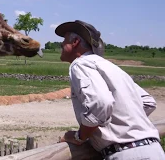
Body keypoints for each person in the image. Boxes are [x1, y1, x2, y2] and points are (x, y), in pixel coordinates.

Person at [55, 20, 165, 159]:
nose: (61, 45)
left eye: (63, 42)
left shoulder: (80, 64)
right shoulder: (109, 66)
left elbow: (100, 103)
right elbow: (148, 102)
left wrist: (79, 136)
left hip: (126, 154)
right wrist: (124, 124)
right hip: (153, 151)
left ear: (75, 41)